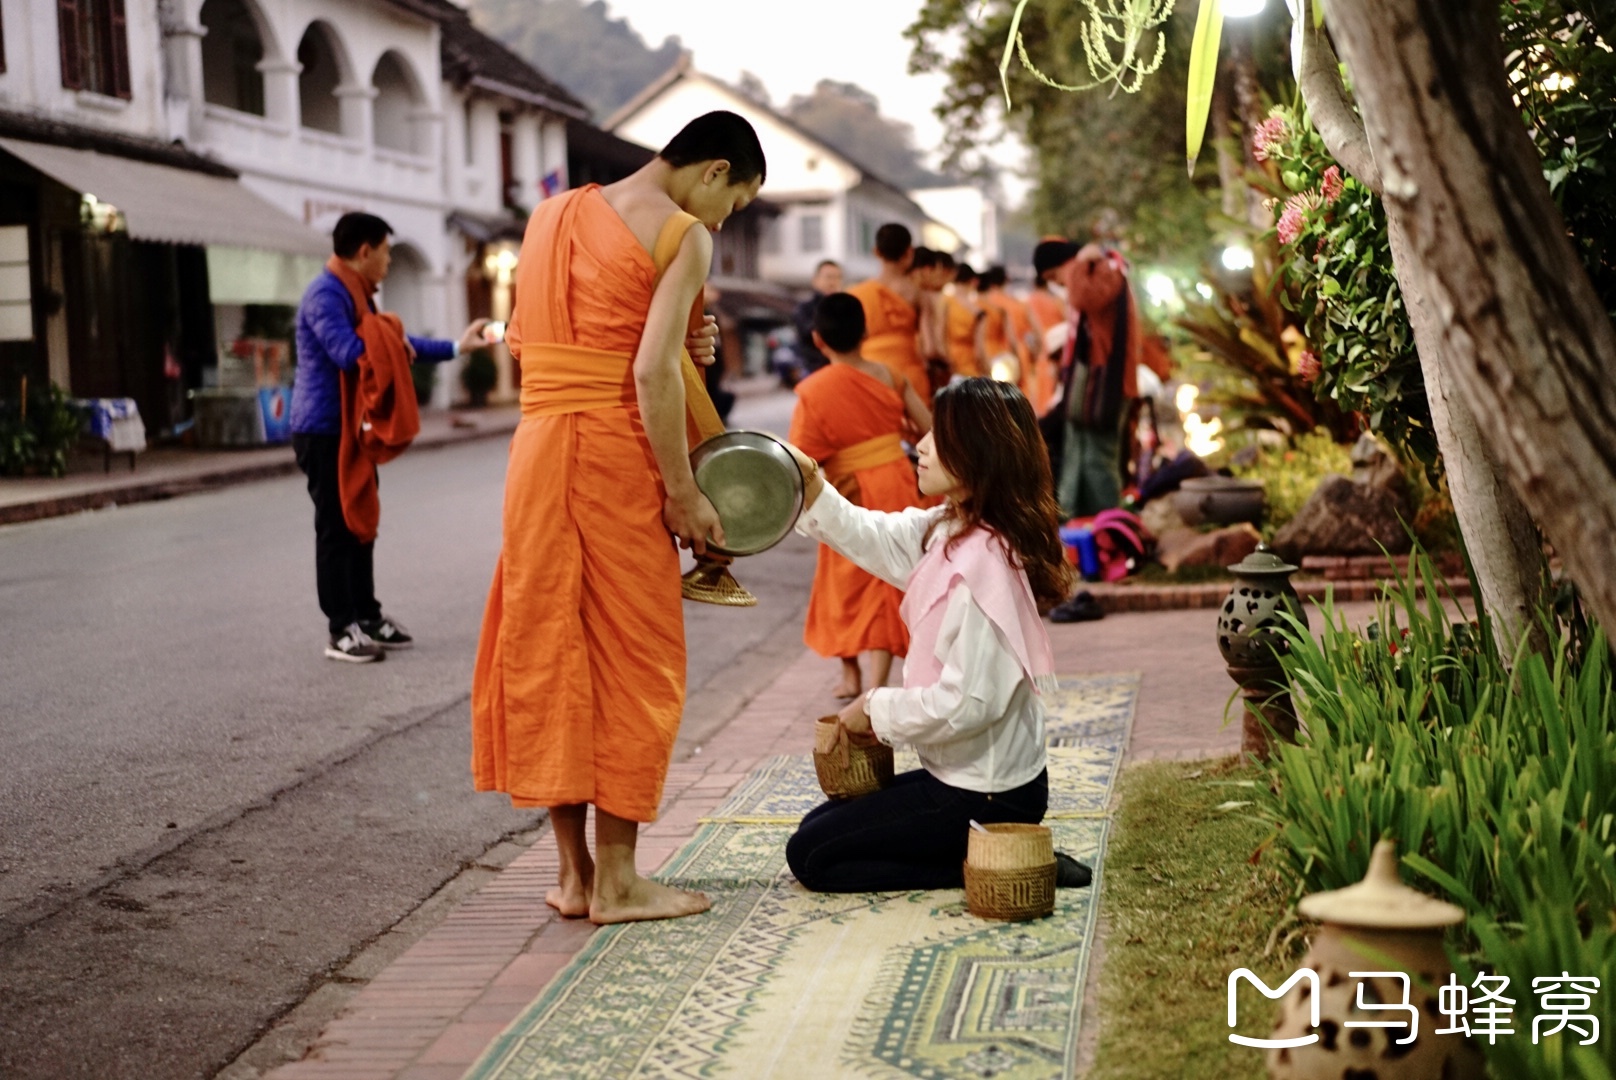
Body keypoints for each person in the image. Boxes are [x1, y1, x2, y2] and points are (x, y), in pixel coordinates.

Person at [471, 110, 764, 924]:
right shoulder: (682, 235)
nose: (723, 221)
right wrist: (682, 491)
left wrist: (676, 346)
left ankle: (572, 877)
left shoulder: (550, 215)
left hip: (538, 455)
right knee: (635, 657)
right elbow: (646, 376)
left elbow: (531, 344)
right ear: (712, 172)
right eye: (734, 202)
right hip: (612, 455)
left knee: (552, 649)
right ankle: (621, 879)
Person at [782, 378, 1092, 892]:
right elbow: (874, 536)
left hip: (990, 794)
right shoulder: (953, 527)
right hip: (960, 777)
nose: (920, 446)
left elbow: (967, 705)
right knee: (817, 825)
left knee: (812, 857)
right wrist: (813, 483)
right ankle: (990, 851)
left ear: (977, 456)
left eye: (937, 438)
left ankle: (1005, 860)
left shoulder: (987, 567)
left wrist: (875, 708)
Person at [291, 211, 488, 663]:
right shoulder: (326, 294)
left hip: (352, 429)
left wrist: (458, 347)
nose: (388, 263)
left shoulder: (359, 295)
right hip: (323, 430)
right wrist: (392, 337)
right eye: (385, 254)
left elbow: (390, 349)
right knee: (336, 527)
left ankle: (367, 614)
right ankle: (340, 629)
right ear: (365, 252)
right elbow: (351, 353)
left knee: (361, 523)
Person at [789, 293, 933, 701]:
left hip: (843, 490)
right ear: (866, 332)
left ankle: (851, 677)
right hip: (895, 482)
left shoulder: (813, 391)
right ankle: (879, 679)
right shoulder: (891, 376)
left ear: (818, 340)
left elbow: (801, 458)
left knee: (845, 578)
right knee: (891, 571)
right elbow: (928, 428)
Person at [848, 224, 931, 399]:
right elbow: (929, 347)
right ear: (910, 252)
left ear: (876, 252)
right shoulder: (918, 293)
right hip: (909, 375)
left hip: (869, 374)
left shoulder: (856, 294)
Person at [1027, 239, 1079, 417]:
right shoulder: (1055, 301)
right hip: (1059, 348)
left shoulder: (1029, 302)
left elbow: (1033, 330)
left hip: (1048, 350)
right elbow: (1069, 321)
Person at [976, 266, 1037, 400]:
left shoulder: (980, 303)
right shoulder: (1016, 303)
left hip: (984, 355)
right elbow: (1023, 335)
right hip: (1008, 355)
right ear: (1006, 280)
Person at [910, 247, 953, 395]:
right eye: (937, 272)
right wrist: (948, 364)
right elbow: (932, 347)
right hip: (922, 370)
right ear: (927, 270)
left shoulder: (897, 293)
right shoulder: (927, 298)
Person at [792, 259, 843, 379]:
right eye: (829, 277)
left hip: (840, 370)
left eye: (838, 277)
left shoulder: (845, 306)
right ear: (815, 280)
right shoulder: (804, 308)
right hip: (813, 369)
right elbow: (808, 332)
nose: (833, 282)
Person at [945, 263, 987, 379]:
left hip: (947, 366)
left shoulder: (944, 303)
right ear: (973, 281)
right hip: (969, 368)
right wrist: (986, 371)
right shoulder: (978, 312)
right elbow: (980, 351)